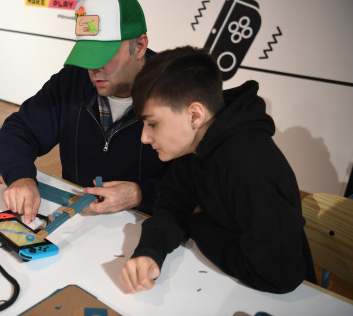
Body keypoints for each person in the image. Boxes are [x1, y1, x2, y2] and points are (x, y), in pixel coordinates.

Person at [119, 46, 317, 294]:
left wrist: (199, 223)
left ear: (194, 115)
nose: (144, 138)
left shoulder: (248, 164)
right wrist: (149, 253)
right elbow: (173, 205)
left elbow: (279, 275)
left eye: (153, 124)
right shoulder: (193, 145)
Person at [0, 0, 166, 224]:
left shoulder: (175, 92)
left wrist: (141, 193)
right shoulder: (73, 81)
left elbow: (195, 180)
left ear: (140, 46)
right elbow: (20, 129)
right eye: (87, 55)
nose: (93, 69)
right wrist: (20, 176)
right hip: (79, 220)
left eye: (103, 56)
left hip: (143, 226)